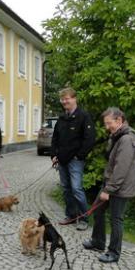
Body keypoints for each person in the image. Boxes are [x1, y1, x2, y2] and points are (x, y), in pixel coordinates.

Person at [82, 107, 135, 263]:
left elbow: (121, 168)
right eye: (105, 124)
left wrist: (109, 189)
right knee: (98, 210)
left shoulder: (127, 140)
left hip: (119, 187)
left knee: (116, 219)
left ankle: (114, 253)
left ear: (119, 121)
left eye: (109, 123)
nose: (107, 127)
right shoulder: (117, 136)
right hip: (111, 184)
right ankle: (98, 242)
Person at [51, 87, 96, 230]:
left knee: (76, 189)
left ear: (74, 99)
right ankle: (71, 216)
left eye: (67, 98)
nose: (64, 101)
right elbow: (55, 138)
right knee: (66, 189)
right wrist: (54, 155)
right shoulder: (62, 118)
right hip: (62, 160)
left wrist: (79, 155)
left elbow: (89, 139)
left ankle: (84, 219)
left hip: (75, 160)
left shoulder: (84, 116)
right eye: (62, 99)